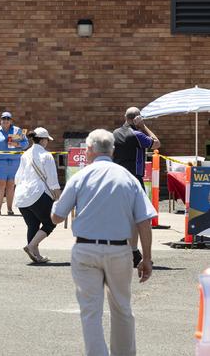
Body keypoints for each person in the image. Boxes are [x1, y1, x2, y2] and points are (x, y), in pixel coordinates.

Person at [51, 129, 155, 356]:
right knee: (122, 309)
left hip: (85, 248)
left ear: (89, 150)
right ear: (113, 151)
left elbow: (57, 217)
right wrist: (146, 258)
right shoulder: (128, 178)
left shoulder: (80, 177)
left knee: (90, 311)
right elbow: (144, 221)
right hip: (120, 249)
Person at [113, 106, 161, 268]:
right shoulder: (138, 134)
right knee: (140, 217)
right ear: (136, 119)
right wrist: (144, 126)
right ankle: (133, 252)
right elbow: (156, 144)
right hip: (134, 179)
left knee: (124, 216)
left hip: (117, 178)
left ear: (125, 117)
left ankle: (130, 252)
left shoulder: (115, 133)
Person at [14, 127, 60, 263]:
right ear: (43, 140)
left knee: (32, 225)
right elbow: (53, 180)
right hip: (38, 194)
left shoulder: (24, 155)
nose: (47, 142)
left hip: (22, 196)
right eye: (47, 140)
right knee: (50, 222)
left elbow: (17, 178)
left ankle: (36, 255)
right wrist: (58, 197)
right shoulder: (46, 155)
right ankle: (32, 246)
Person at [0, 111, 29, 215]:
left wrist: (17, 143)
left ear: (11, 121)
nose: (6, 121)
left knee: (11, 186)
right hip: (0, 162)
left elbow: (26, 143)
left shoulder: (17, 130)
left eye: (8, 119)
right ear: (1, 120)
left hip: (15, 162)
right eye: (3, 119)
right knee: (1, 185)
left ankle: (10, 209)